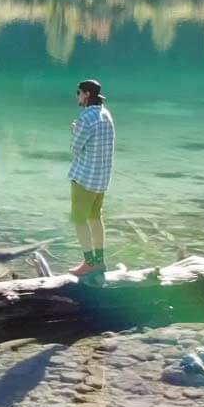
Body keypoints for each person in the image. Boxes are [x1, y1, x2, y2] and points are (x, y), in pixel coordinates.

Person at [68, 79, 114, 277]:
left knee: (79, 219)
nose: (77, 96)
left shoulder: (86, 118)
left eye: (79, 92)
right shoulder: (106, 114)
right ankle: (100, 261)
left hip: (85, 178)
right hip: (101, 179)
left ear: (87, 94)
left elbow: (75, 148)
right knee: (95, 217)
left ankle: (89, 262)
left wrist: (75, 130)